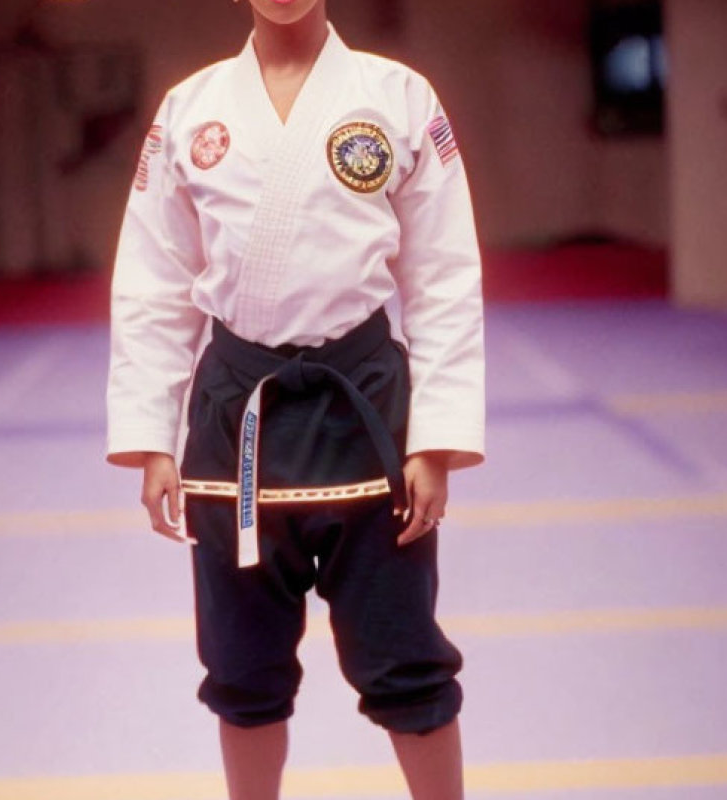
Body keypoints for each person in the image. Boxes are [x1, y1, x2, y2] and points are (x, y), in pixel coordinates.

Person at [106, 0, 485, 797]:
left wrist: (435, 440)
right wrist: (151, 438)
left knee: (404, 655)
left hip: (367, 412)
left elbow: (443, 276)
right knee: (242, 668)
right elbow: (154, 282)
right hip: (237, 416)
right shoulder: (191, 110)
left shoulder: (399, 98)